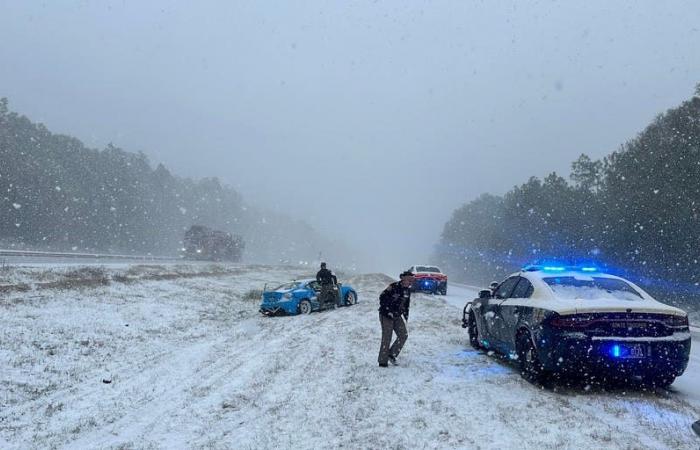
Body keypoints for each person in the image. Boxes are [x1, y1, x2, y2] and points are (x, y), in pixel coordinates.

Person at [377, 270, 414, 367]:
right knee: (387, 337)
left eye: (412, 281)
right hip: (386, 315)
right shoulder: (393, 287)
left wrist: (405, 315)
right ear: (403, 279)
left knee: (403, 335)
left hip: (397, 315)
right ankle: (383, 361)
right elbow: (382, 297)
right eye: (409, 280)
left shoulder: (407, 290)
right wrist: (388, 310)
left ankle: (391, 354)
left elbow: (406, 304)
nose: (410, 282)